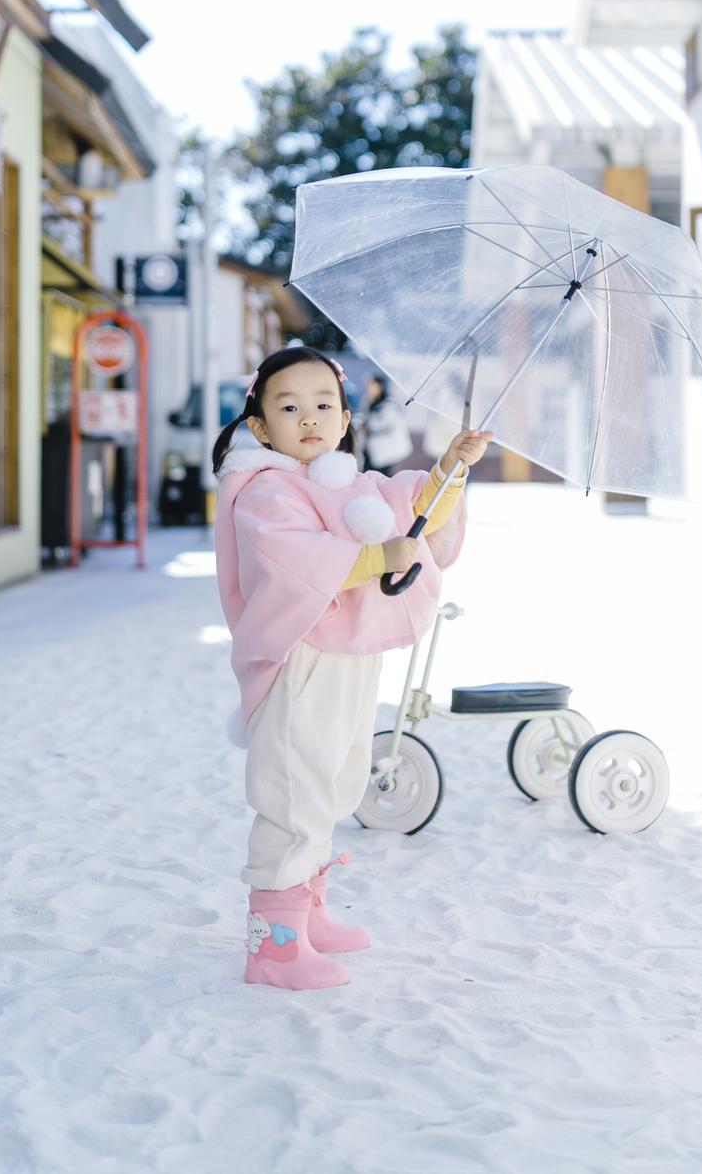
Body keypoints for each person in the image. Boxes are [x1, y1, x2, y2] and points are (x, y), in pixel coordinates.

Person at [213, 346, 491, 991]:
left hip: (349, 658)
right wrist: (373, 559)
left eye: (323, 405)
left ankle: (306, 911)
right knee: (296, 784)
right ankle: (274, 944)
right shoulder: (265, 491)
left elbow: (414, 508)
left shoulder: (354, 486)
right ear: (260, 427)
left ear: (344, 420)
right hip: (301, 658)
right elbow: (291, 558)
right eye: (289, 407)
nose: (309, 418)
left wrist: (450, 467)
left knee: (337, 776)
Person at [361, 373, 413, 475]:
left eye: (371, 385)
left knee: (381, 477)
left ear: (379, 387)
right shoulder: (368, 402)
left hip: (386, 451)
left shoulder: (389, 405)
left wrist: (368, 428)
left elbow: (386, 425)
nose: (368, 388)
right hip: (372, 452)